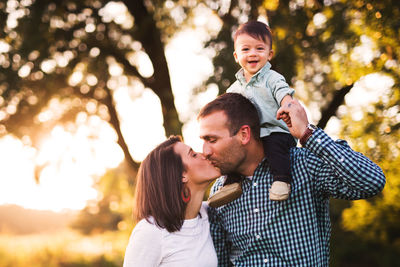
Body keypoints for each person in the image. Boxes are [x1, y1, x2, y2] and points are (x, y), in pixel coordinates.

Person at [198, 93, 385, 266]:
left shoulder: (302, 165)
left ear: (244, 134)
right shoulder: (219, 191)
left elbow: (371, 182)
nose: (205, 151)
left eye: (212, 140)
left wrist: (307, 133)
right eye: (203, 141)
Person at [123, 136, 220, 267]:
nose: (204, 154)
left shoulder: (208, 214)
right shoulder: (151, 230)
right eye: (193, 155)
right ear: (182, 175)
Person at [227, 20, 296, 201]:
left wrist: (287, 105)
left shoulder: (272, 78)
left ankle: (282, 180)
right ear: (236, 56)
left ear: (269, 54)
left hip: (274, 131)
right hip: (249, 137)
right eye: (246, 49)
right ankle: (230, 183)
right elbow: (226, 110)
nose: (252, 54)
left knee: (274, 147)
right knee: (233, 148)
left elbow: (283, 92)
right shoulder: (233, 89)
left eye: (259, 48)